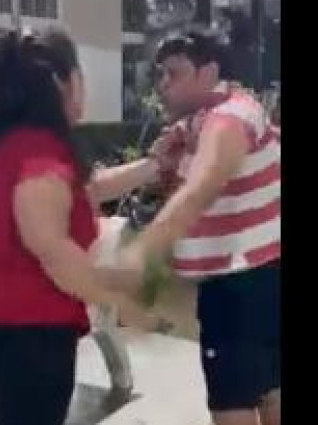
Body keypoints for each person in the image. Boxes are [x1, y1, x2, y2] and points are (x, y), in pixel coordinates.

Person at [0, 29, 142, 425]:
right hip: (26, 326)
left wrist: (155, 164)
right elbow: (51, 247)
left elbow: (86, 189)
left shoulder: (4, 143)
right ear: (60, 82)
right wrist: (118, 299)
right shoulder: (40, 152)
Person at [113, 32, 280, 425]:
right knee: (270, 389)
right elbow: (157, 172)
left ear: (209, 72)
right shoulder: (203, 122)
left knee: (233, 404)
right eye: (160, 75)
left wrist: (142, 253)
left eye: (174, 74)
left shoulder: (230, 118)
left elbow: (201, 187)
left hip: (238, 286)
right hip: (260, 279)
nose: (163, 85)